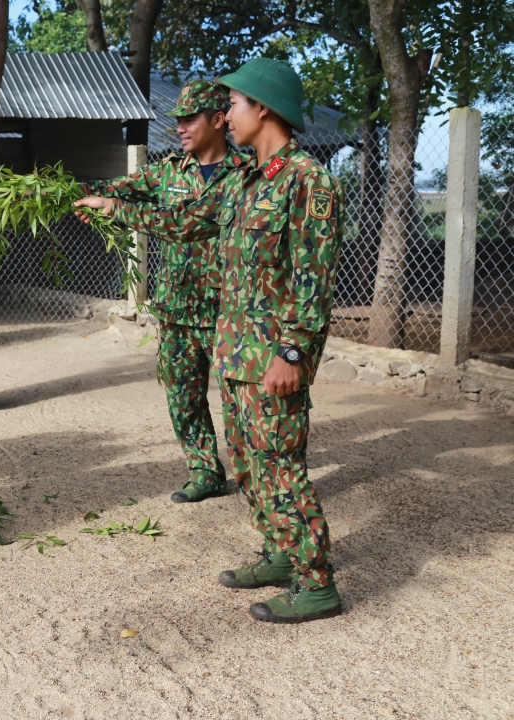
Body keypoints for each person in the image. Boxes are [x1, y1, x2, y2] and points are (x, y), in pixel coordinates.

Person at [73, 81, 247, 505]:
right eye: (179, 121)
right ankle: (204, 471)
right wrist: (75, 194)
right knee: (183, 397)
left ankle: (250, 478)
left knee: (239, 405)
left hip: (228, 311)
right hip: (176, 309)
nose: (181, 128)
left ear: (219, 120)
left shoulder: (245, 175)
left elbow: (185, 222)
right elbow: (116, 188)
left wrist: (114, 207)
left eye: (189, 119)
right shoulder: (168, 171)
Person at [213, 58, 344, 623]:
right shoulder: (247, 181)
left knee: (281, 465)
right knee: (246, 461)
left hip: (274, 356)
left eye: (233, 104)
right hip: (238, 353)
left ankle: (317, 583)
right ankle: (278, 554)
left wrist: (292, 352)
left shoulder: (308, 180)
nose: (226, 116)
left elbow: (314, 275)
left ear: (262, 107)